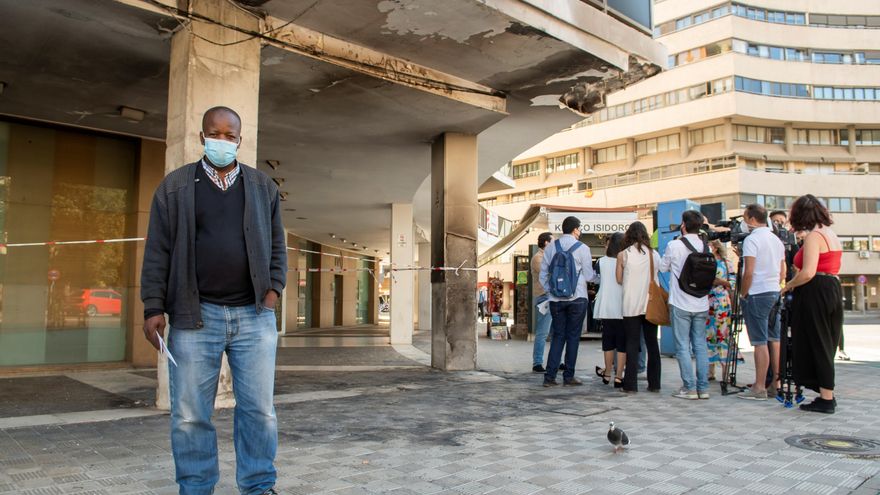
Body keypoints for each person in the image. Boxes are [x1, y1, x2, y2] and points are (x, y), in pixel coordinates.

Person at [141, 106, 286, 495]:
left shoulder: (262, 188)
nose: (221, 140)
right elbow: (158, 251)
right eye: (214, 133)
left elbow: (277, 247)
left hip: (254, 316)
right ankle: (195, 487)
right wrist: (153, 307)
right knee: (190, 415)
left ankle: (258, 486)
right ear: (201, 137)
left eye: (229, 135)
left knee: (259, 411)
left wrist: (273, 292)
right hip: (194, 317)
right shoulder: (174, 188)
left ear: (240, 139)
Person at [781, 194, 843, 414]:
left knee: (816, 341)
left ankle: (825, 399)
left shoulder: (814, 237)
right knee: (826, 341)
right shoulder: (830, 233)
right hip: (832, 287)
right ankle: (827, 394)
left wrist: (788, 285)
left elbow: (807, 272)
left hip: (816, 290)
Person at [659, 211, 710, 400]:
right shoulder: (706, 245)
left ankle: (689, 387)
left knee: (682, 346)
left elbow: (663, 267)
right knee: (700, 346)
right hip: (701, 302)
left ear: (683, 225)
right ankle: (703, 388)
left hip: (680, 302)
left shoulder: (674, 245)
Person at [738, 204, 786, 401]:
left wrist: (743, 293)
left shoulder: (752, 240)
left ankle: (759, 387)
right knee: (774, 340)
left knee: (759, 342)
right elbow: (783, 271)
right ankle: (776, 383)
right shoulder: (777, 240)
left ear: (750, 218)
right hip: (774, 291)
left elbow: (748, 272)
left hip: (757, 293)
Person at [539, 216, 594, 387]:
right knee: (573, 337)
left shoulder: (550, 248)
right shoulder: (583, 248)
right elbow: (590, 275)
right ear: (576, 229)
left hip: (556, 300)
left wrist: (552, 290)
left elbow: (543, 276)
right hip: (577, 298)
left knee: (558, 336)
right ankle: (568, 376)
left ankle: (550, 377)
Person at [616, 222, 661, 393]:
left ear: (629, 235)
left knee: (632, 344)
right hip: (650, 305)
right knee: (652, 344)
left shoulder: (623, 255)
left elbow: (619, 279)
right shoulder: (654, 254)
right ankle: (655, 383)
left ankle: (630, 385)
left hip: (630, 305)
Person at [594, 233, 625, 387]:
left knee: (608, 342)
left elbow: (594, 278)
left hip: (606, 306)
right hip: (622, 306)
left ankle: (607, 373)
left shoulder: (601, 262)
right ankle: (619, 375)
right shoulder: (625, 259)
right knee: (622, 343)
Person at [706, 240, 733, 382]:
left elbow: (732, 282)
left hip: (722, 302)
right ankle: (710, 371)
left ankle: (725, 371)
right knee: (708, 335)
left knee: (723, 335)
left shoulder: (727, 263)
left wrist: (719, 281)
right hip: (707, 302)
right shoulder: (705, 261)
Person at [531, 232, 554, 373]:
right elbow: (548, 272)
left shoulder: (549, 256)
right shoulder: (538, 258)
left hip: (554, 297)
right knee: (542, 332)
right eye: (553, 241)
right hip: (544, 297)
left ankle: (557, 361)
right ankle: (537, 362)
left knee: (556, 332)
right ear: (546, 243)